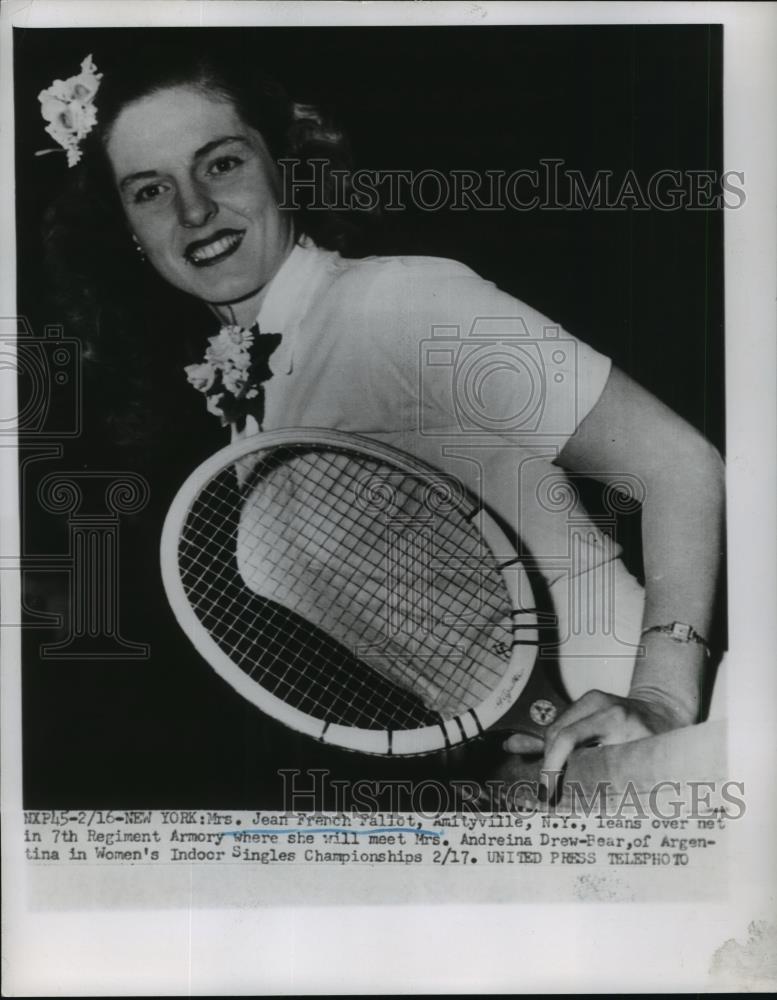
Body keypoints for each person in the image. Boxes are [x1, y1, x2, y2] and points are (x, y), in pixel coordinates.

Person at [40, 44, 725, 802]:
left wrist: (661, 700)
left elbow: (676, 462)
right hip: (549, 780)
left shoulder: (398, 302)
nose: (194, 209)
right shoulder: (252, 407)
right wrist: (491, 752)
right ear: (131, 233)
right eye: (149, 190)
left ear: (282, 163)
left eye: (221, 164)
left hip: (656, 745)